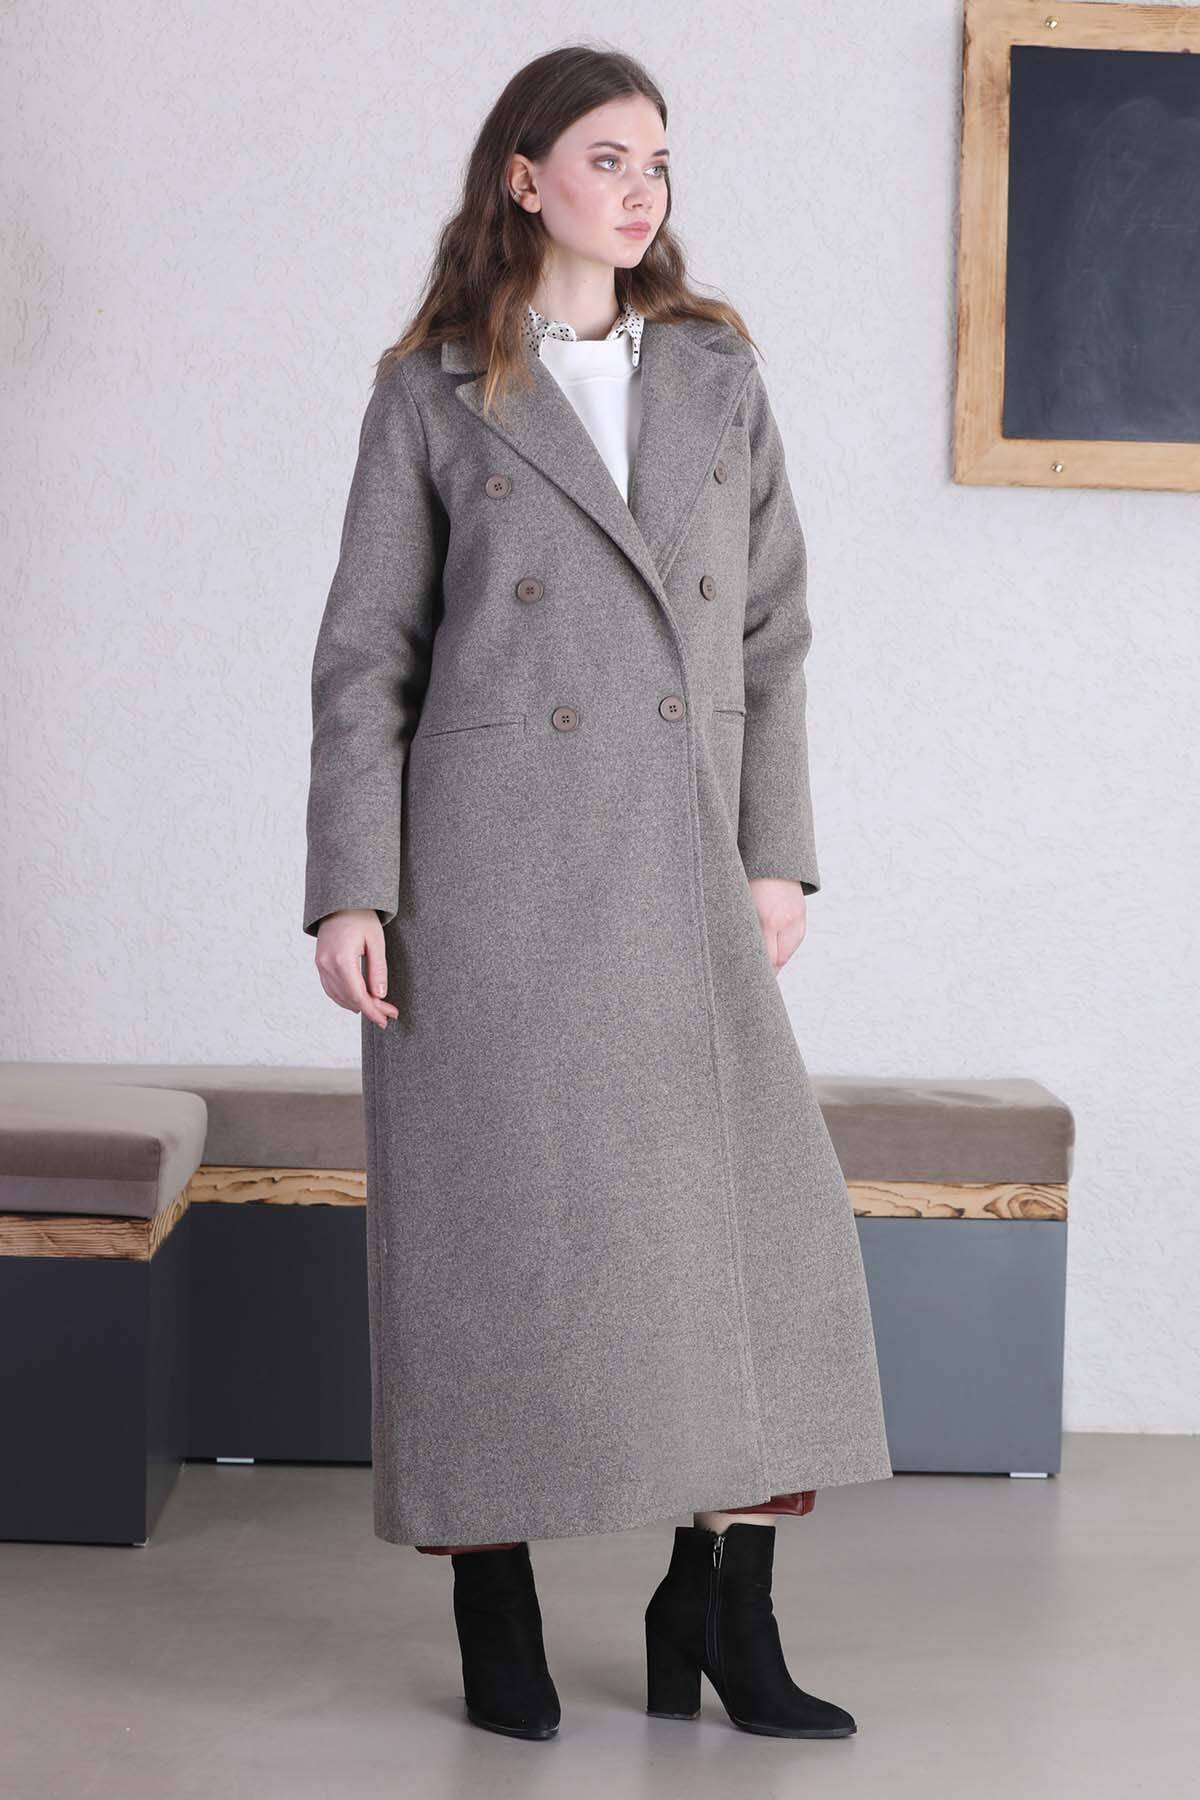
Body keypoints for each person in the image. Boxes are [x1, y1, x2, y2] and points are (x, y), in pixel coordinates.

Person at [303, 45, 893, 1744]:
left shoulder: (714, 371)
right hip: (486, 876)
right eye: (609, 159)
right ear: (526, 176)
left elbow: (773, 633)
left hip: (686, 860)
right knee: (490, 1243)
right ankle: (494, 1604)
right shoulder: (434, 387)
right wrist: (352, 887)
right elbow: (367, 657)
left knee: (757, 1246)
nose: (641, 192)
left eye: (659, 165)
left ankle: (719, 1604)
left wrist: (774, 849)